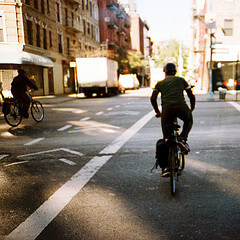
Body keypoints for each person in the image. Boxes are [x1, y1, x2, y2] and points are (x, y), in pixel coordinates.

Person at [150, 63, 195, 175]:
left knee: (166, 139)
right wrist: (191, 108)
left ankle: (166, 168)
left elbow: (153, 98)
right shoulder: (181, 80)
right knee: (188, 120)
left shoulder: (160, 83)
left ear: (164, 72)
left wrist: (157, 111)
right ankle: (182, 138)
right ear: (175, 71)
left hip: (167, 110)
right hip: (181, 107)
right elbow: (191, 95)